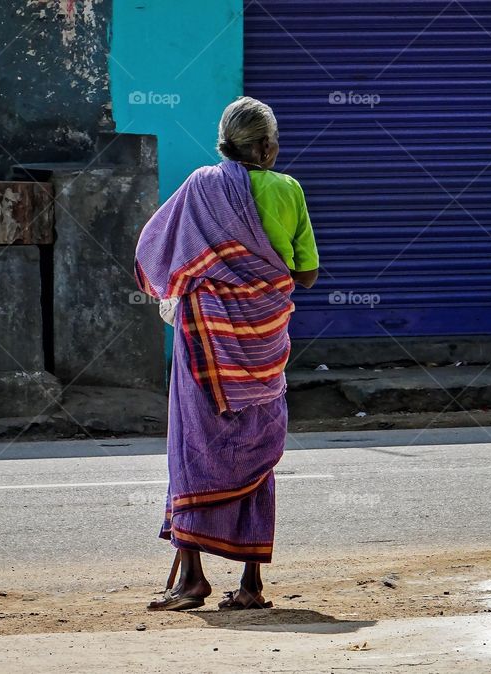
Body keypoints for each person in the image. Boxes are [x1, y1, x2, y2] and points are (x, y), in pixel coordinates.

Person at [134, 96, 319, 611]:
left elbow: (151, 248)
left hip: (205, 344)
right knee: (256, 452)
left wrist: (198, 275)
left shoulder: (200, 186)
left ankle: (191, 576)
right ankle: (251, 583)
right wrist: (260, 269)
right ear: (264, 146)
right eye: (273, 140)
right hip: (263, 347)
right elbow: (305, 274)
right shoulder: (289, 190)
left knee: (194, 447)